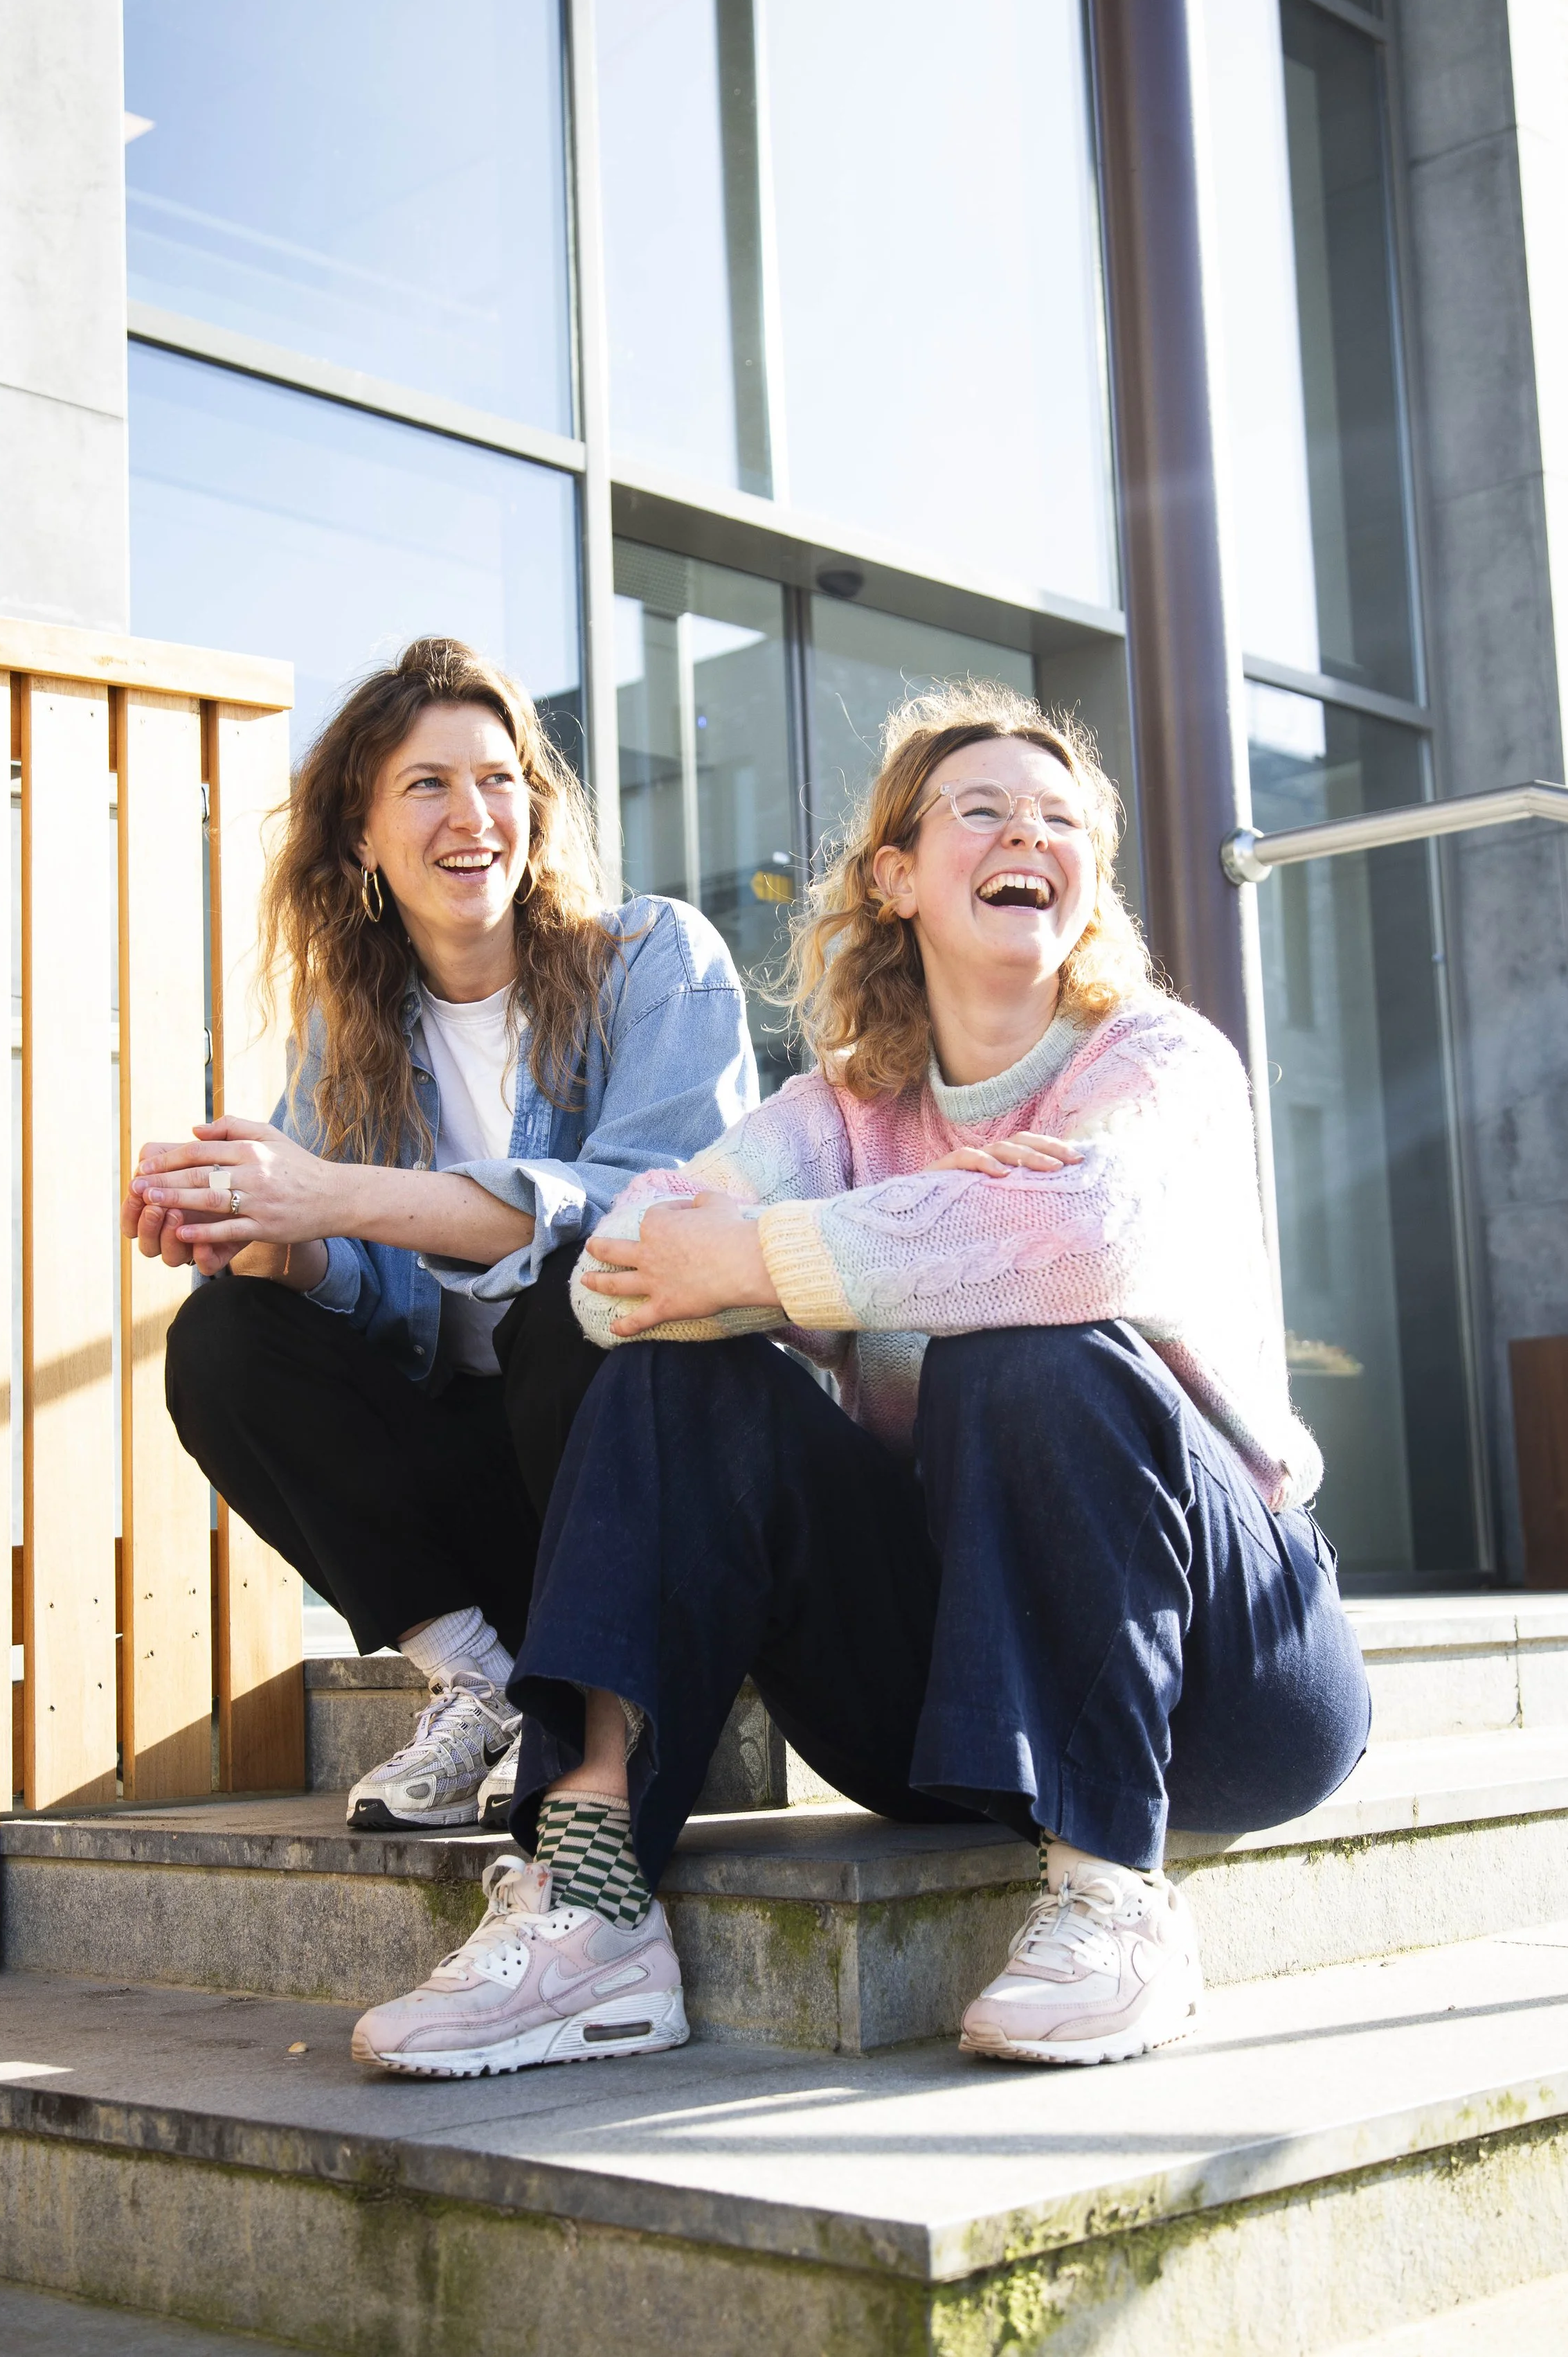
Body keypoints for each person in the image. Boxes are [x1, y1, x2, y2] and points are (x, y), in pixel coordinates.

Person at [348, 681, 1371, 2081]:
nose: (1028, 831)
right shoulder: (839, 1111)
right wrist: (910, 1238)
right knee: (669, 1375)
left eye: (1059, 816)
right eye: (983, 809)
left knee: (1030, 1346)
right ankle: (590, 1903)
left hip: (1230, 1687)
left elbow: (1078, 1241)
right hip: (950, 1702)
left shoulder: (1158, 1061)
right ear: (892, 875)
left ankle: (1110, 1896)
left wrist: (765, 1258)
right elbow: (610, 1274)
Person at [125, 636, 758, 1832]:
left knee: (575, 1281)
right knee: (224, 1338)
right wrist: (259, 1234)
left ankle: (594, 1715)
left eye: (499, 777)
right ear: (362, 836)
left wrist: (330, 1196)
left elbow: (647, 1215)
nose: (474, 813)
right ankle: (480, 1677)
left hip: (636, 1473)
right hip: (485, 1495)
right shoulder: (356, 1030)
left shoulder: (656, 960)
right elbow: (358, 1285)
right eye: (428, 784)